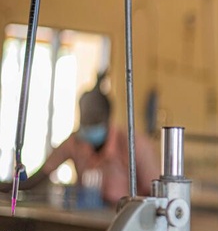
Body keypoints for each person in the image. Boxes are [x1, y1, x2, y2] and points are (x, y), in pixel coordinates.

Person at [1, 82, 159, 205]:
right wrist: (8, 187)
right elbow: (40, 176)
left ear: (107, 117)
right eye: (85, 118)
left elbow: (156, 194)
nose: (89, 124)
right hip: (88, 218)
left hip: (125, 221)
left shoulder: (134, 145)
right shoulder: (75, 142)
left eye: (94, 118)